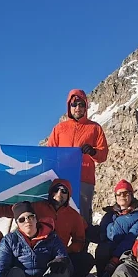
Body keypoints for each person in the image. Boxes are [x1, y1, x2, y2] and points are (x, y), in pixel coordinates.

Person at [0, 179, 93, 277]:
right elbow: (12, 210)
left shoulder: (74, 216)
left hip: (59, 257)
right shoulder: (37, 207)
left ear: (68, 195)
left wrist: (64, 253)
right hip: (37, 253)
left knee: (85, 260)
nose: (59, 194)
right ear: (50, 192)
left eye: (64, 191)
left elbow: (79, 241)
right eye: (55, 190)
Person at [46, 89, 109, 224]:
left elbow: (103, 154)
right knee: (58, 213)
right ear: (69, 106)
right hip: (62, 178)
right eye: (74, 104)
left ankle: (82, 244)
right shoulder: (59, 128)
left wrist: (93, 152)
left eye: (81, 104)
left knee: (82, 216)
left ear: (86, 106)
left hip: (84, 178)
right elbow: (49, 153)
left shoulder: (94, 128)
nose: (77, 108)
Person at [93, 180, 138, 276]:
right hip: (106, 250)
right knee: (102, 250)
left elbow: (131, 239)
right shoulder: (109, 214)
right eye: (119, 193)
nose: (122, 196)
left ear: (131, 195)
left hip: (125, 253)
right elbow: (101, 233)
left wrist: (116, 257)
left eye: (126, 193)